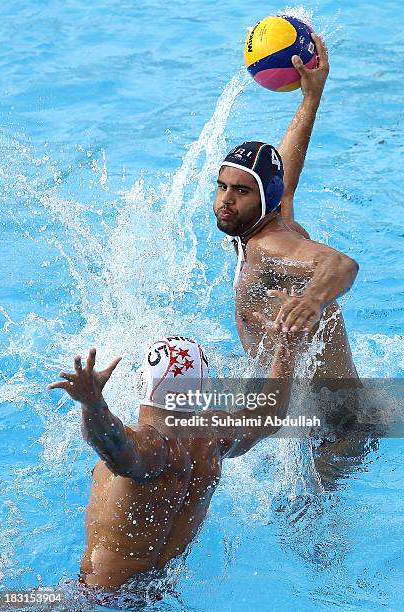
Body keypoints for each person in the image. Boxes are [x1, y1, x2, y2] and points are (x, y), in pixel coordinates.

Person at [47, 327, 301, 597]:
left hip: (99, 597)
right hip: (158, 595)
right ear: (202, 388)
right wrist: (285, 351)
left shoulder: (153, 446)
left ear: (142, 380)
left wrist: (93, 404)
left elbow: (116, 448)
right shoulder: (214, 437)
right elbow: (268, 415)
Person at [213, 33, 360, 383]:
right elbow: (284, 181)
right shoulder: (258, 220)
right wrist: (311, 98)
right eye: (222, 187)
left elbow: (340, 264)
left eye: (241, 191)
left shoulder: (269, 245)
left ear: (263, 199)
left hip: (332, 430)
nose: (226, 200)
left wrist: (312, 301)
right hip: (297, 401)